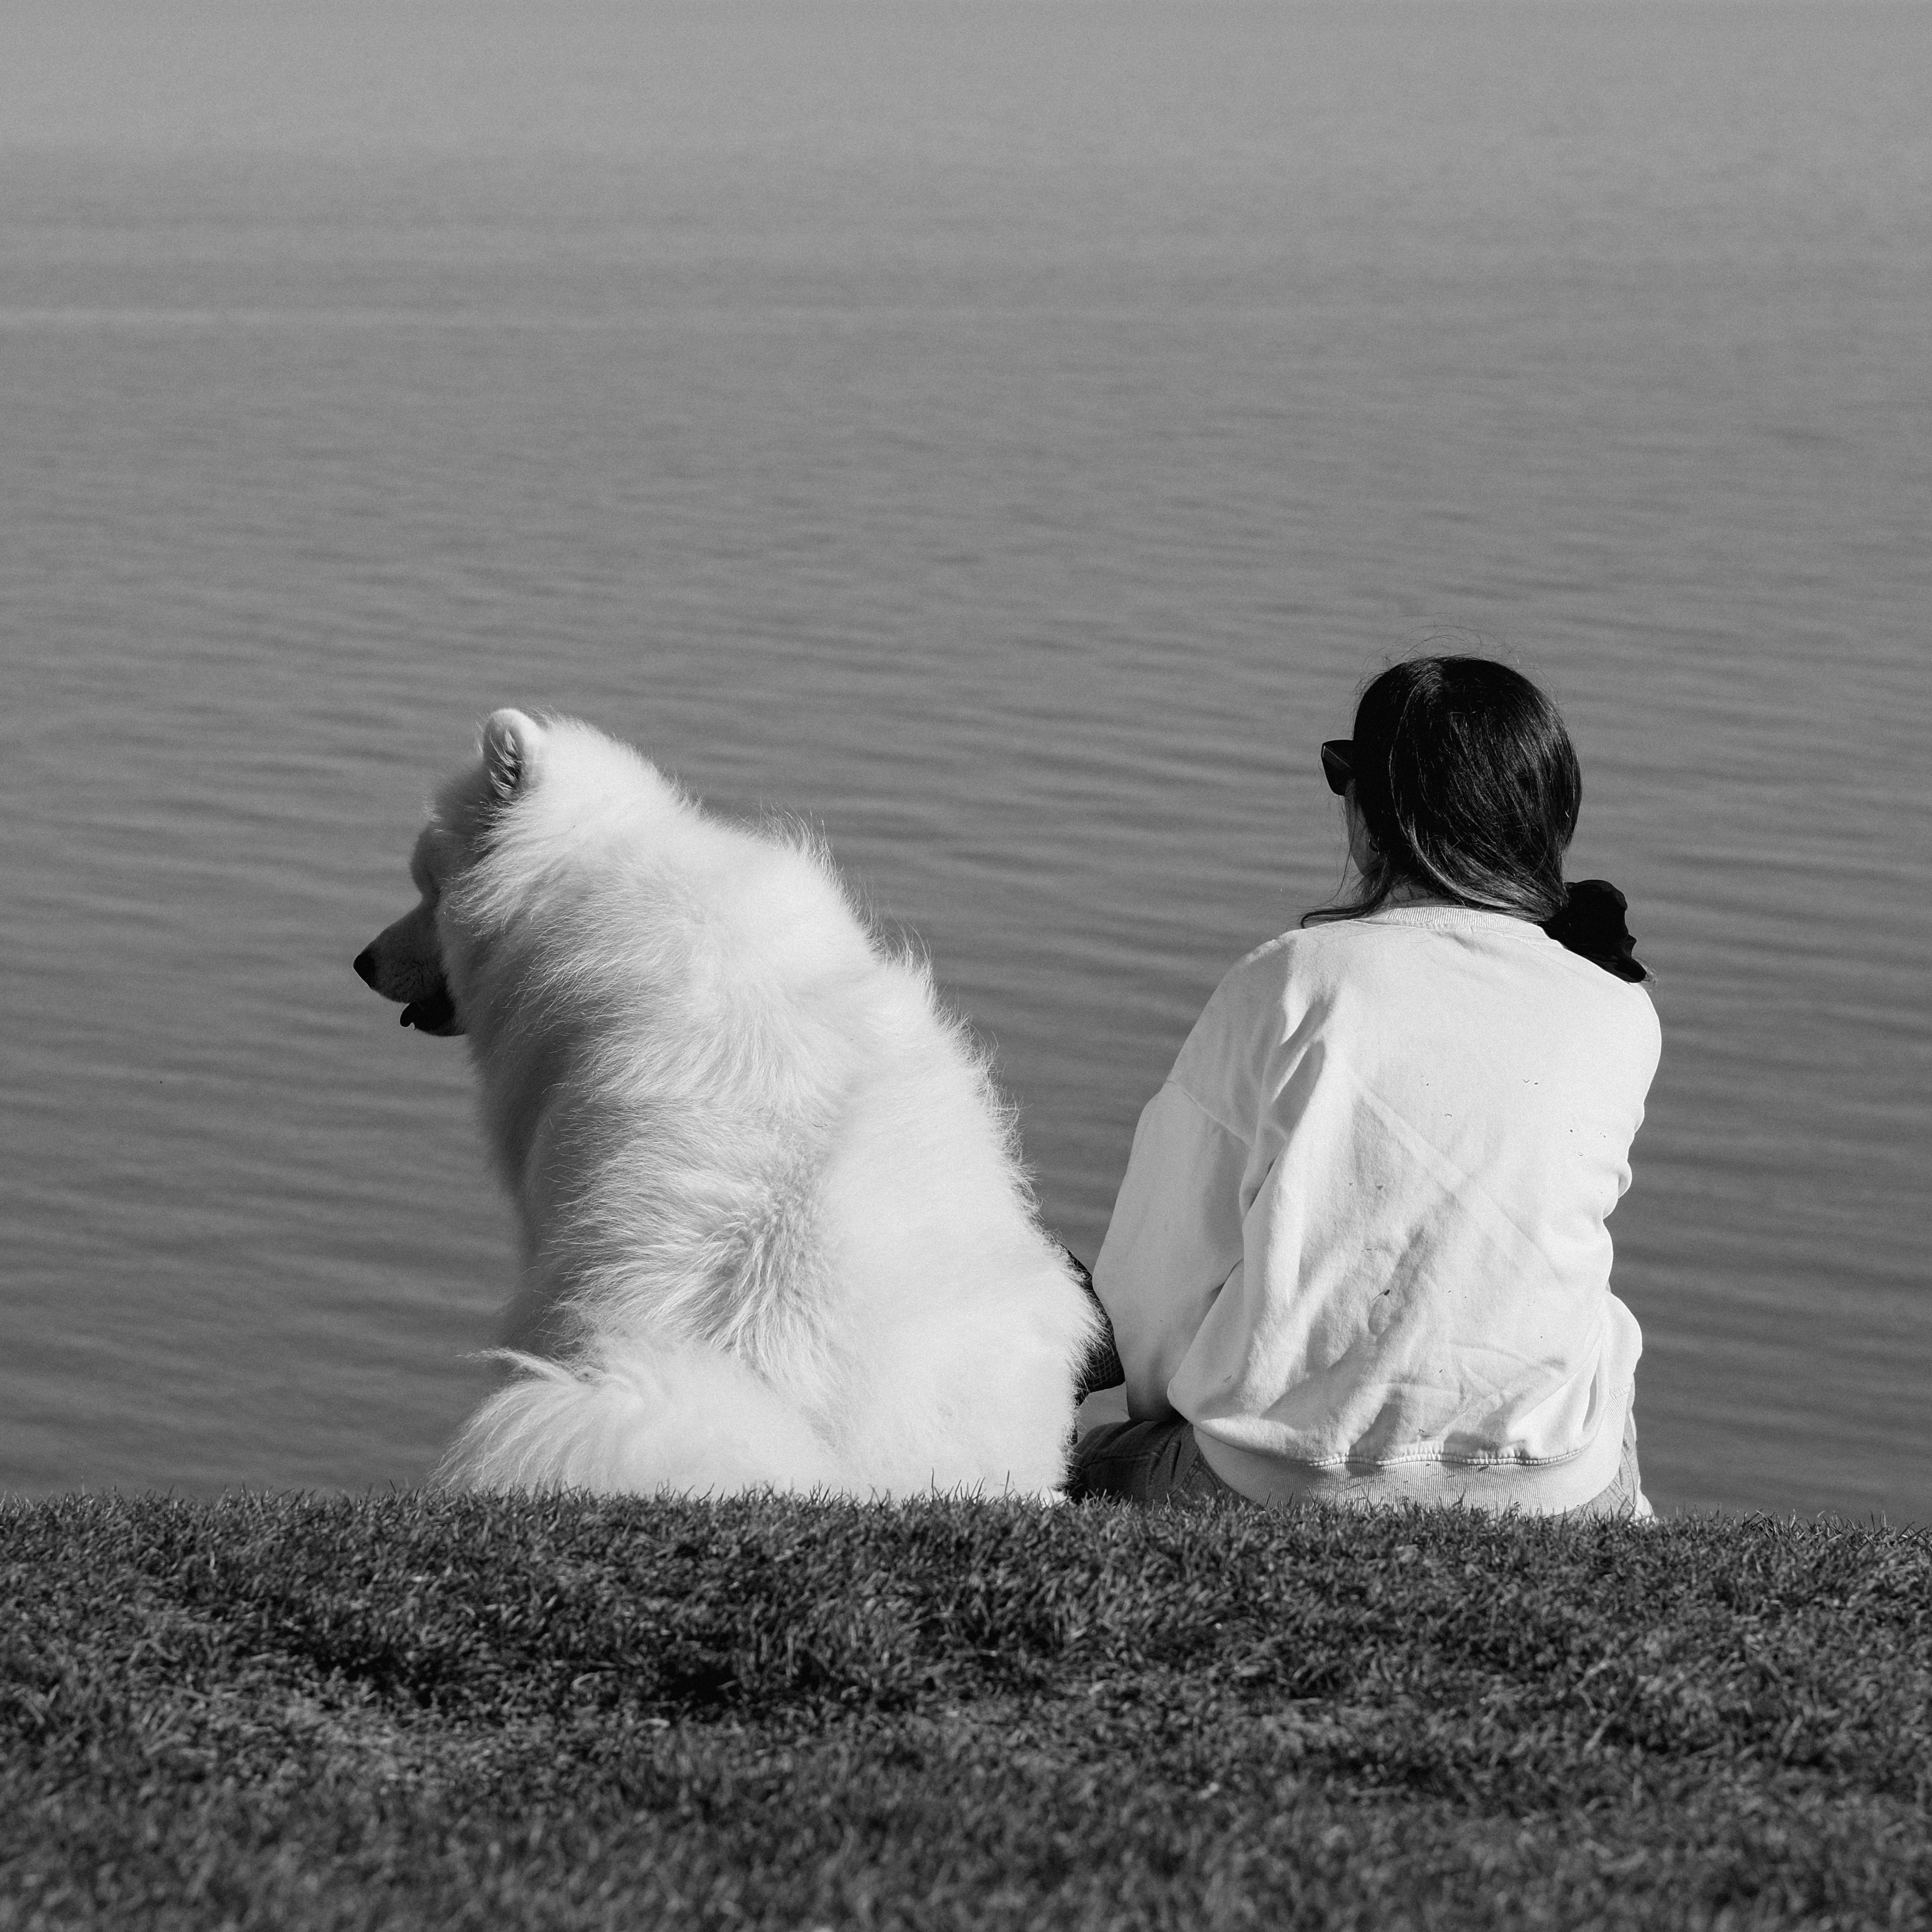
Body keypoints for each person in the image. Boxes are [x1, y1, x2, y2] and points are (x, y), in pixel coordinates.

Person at [1069, 655, 1660, 1517]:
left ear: (1374, 817)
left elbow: (1159, 1282)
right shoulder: (1618, 1012)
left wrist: (1160, 1416)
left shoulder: (1291, 983)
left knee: (1094, 1461)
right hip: (1562, 1488)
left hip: (1285, 1483)